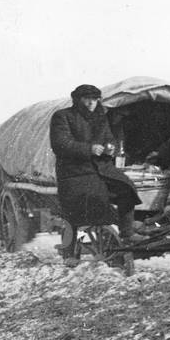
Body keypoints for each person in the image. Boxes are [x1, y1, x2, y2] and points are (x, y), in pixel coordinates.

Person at [50, 84, 142, 242]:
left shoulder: (100, 118)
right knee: (80, 207)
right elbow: (60, 144)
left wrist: (110, 147)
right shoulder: (63, 116)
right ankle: (70, 251)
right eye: (87, 99)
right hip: (76, 172)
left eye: (95, 99)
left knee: (126, 188)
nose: (91, 103)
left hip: (101, 169)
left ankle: (127, 232)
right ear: (77, 100)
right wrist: (89, 149)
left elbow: (109, 138)